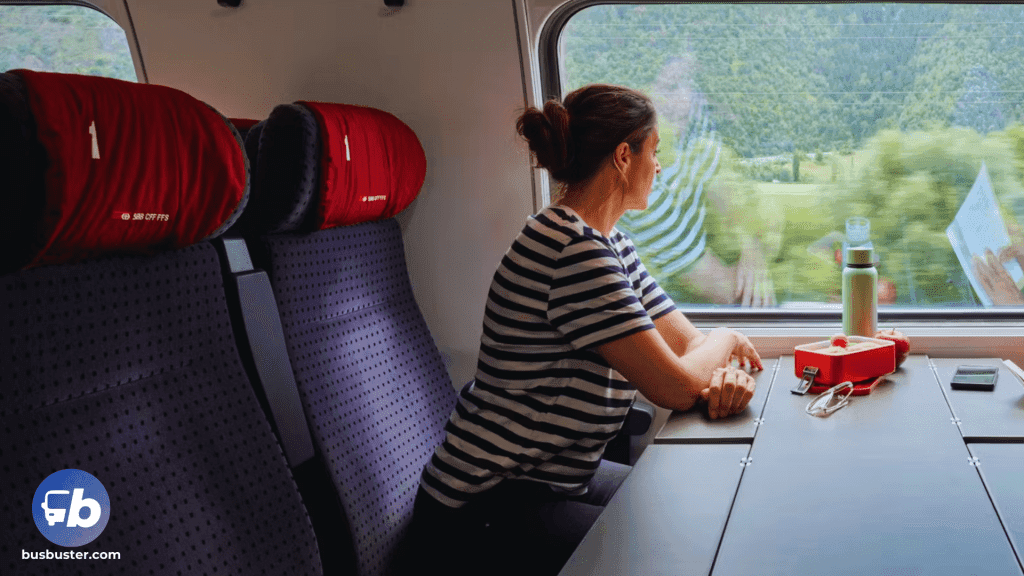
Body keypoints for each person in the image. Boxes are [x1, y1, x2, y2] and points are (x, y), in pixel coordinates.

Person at [406, 84, 763, 576]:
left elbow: (690, 347)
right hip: (482, 508)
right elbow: (677, 386)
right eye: (653, 152)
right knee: (668, 552)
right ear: (623, 156)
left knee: (686, 512)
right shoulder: (573, 252)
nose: (659, 167)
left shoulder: (611, 244)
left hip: (551, 483)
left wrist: (716, 367)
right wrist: (726, 340)